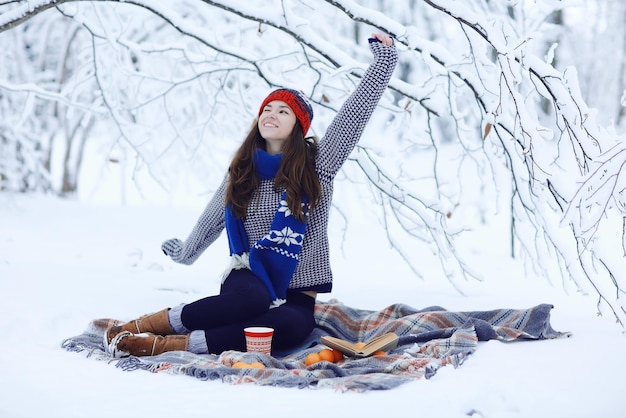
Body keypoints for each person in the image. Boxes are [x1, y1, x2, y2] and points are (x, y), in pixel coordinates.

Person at [105, 33, 398, 357]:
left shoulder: (318, 167)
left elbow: (353, 117)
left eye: (283, 111)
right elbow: (213, 218)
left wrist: (384, 62)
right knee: (252, 302)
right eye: (267, 108)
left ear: (299, 127)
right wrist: (186, 252)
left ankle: (168, 345)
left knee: (290, 326)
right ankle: (148, 324)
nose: (271, 114)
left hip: (299, 292)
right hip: (247, 277)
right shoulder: (243, 171)